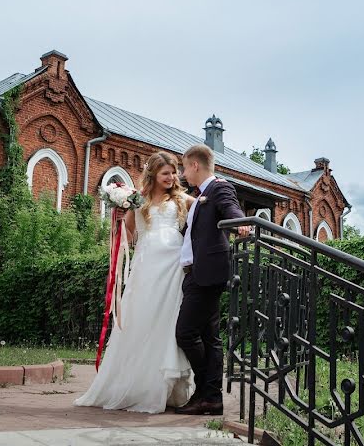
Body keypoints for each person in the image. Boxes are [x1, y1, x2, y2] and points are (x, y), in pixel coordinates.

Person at [74, 152, 196, 413]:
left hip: (173, 265)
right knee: (142, 318)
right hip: (147, 264)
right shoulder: (137, 200)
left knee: (167, 319)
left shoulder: (181, 198)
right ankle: (136, 384)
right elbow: (129, 234)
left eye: (174, 172)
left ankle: (165, 387)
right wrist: (118, 219)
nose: (172, 177)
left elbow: (204, 206)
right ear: (153, 174)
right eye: (166, 173)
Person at [173, 144, 247, 415]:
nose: (182, 173)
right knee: (209, 337)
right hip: (198, 273)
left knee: (186, 333)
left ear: (195, 165)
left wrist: (240, 224)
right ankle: (211, 398)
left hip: (206, 275)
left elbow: (231, 209)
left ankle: (206, 390)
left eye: (183, 166)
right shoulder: (200, 195)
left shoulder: (219, 188)